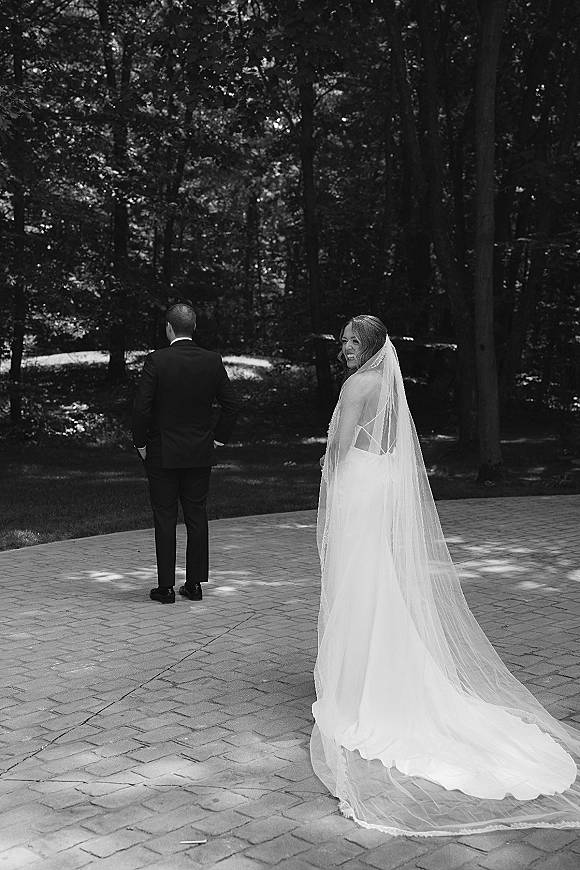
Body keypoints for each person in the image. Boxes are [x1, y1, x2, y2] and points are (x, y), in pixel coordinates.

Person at [310, 314, 580, 836]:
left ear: (366, 345)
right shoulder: (387, 383)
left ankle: (355, 686)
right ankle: (367, 672)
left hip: (358, 488)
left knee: (356, 580)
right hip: (378, 485)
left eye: (348, 340)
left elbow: (341, 448)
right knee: (373, 578)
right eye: (343, 340)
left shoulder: (357, 384)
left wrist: (327, 484)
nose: (342, 347)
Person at [132, 303, 240, 604]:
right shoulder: (212, 360)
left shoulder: (157, 360)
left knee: (164, 516)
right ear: (193, 328)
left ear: (168, 327)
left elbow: (141, 406)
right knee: (196, 515)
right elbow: (232, 406)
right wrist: (217, 441)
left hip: (161, 452)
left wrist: (140, 443)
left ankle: (165, 587)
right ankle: (194, 585)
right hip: (198, 452)